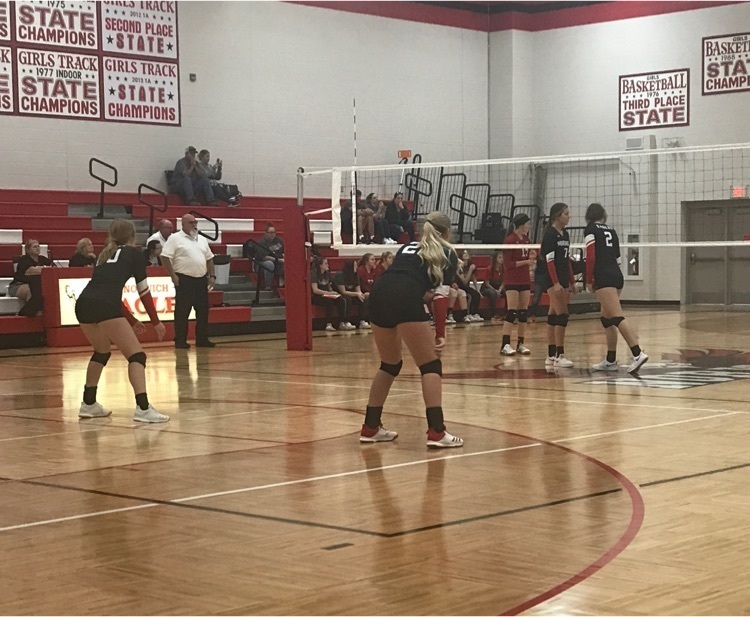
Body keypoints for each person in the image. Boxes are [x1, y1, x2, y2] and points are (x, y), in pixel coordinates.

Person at [361, 210, 463, 448]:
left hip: (379, 293)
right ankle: (437, 431)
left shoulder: (407, 247)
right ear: (447, 232)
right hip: (404, 296)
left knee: (390, 364)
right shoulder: (447, 252)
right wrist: (440, 334)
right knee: (430, 365)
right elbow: (440, 296)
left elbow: (409, 280)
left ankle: (370, 427)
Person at [74, 219, 168, 423]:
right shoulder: (135, 254)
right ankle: (143, 408)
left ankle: (88, 403)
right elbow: (143, 291)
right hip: (105, 305)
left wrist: (132, 320)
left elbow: (107, 293)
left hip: (84, 303)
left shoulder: (103, 254)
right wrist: (156, 321)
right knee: (137, 356)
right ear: (132, 235)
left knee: (101, 352)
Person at [585, 202, 648, 373]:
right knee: (607, 318)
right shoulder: (611, 231)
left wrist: (588, 279)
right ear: (602, 215)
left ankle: (637, 353)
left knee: (616, 315)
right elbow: (618, 258)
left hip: (603, 276)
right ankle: (611, 360)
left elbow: (591, 257)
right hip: (616, 274)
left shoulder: (591, 230)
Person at [161, 213, 216, 349]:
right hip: (184, 279)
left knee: (203, 311)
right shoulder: (175, 238)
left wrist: (212, 276)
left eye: (195, 222)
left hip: (201, 280)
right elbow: (165, 257)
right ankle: (180, 340)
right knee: (182, 311)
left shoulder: (201, 239)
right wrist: (172, 275)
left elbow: (209, 258)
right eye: (191, 223)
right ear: (183, 224)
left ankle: (202, 339)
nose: (194, 225)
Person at [541, 203, 576, 368]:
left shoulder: (565, 234)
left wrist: (572, 281)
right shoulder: (549, 235)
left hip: (562, 278)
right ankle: (559, 354)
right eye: (566, 214)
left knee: (553, 315)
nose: (569, 216)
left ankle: (550, 355)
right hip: (551, 279)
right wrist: (555, 283)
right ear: (557, 216)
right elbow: (549, 261)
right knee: (563, 314)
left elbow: (566, 260)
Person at [500, 214, 536, 355]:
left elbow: (529, 256)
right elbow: (508, 264)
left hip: (524, 279)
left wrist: (532, 258)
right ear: (521, 225)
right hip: (512, 280)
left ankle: (521, 343)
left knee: (523, 313)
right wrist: (526, 262)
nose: (529, 226)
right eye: (527, 224)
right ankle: (505, 344)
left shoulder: (526, 240)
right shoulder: (509, 240)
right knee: (511, 312)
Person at [8, 239, 53, 316]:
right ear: (28, 249)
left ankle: (40, 313)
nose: (38, 248)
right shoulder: (24, 260)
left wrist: (42, 268)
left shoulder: (42, 259)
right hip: (18, 285)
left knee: (42, 290)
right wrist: (44, 268)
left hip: (37, 285)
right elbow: (29, 271)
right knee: (32, 291)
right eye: (34, 247)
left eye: (38, 246)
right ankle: (26, 314)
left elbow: (53, 267)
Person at [310, 257, 353, 331]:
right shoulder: (314, 274)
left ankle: (341, 323)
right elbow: (315, 290)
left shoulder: (327, 274)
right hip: (317, 296)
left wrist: (333, 292)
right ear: (320, 265)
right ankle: (328, 324)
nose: (328, 265)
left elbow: (329, 287)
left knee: (341, 299)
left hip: (327, 294)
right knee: (329, 302)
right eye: (326, 263)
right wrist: (329, 293)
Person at [334, 260, 370, 329]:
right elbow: (343, 292)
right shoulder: (340, 275)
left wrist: (361, 294)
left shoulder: (356, 275)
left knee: (363, 298)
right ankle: (345, 322)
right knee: (347, 299)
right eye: (355, 265)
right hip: (339, 295)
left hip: (352, 294)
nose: (356, 267)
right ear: (350, 267)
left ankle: (362, 321)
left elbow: (358, 290)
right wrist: (357, 294)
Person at [255, 222, 285, 289]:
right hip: (262, 264)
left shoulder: (278, 240)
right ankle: (268, 285)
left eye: (274, 232)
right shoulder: (262, 243)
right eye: (270, 233)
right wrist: (279, 260)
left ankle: (286, 284)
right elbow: (265, 257)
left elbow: (284, 250)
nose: (273, 234)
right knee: (269, 264)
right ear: (266, 233)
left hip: (278, 262)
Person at [481, 251, 504, 320]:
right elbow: (487, 283)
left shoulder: (503, 269)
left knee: (508, 292)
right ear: (495, 258)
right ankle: (493, 314)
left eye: (502, 257)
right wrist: (495, 290)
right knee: (492, 293)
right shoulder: (489, 269)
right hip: (487, 287)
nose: (502, 259)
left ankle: (506, 313)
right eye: (500, 257)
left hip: (498, 287)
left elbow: (503, 282)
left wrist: (499, 290)